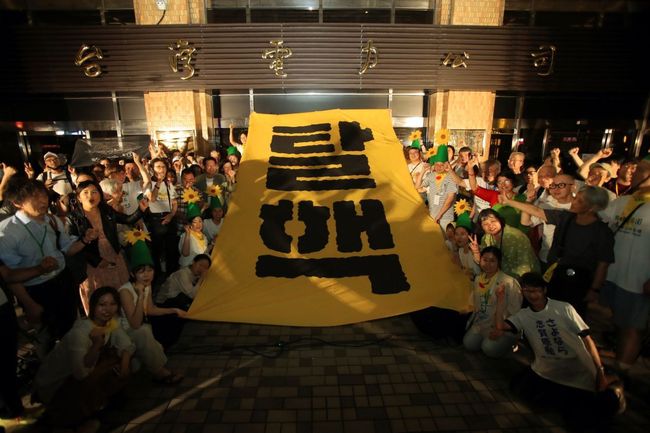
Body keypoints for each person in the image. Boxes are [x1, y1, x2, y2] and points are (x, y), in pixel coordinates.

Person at [495, 272, 625, 428]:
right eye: (527, 291)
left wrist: (600, 371)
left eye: (535, 290)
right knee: (520, 389)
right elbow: (500, 326)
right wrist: (500, 301)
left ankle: (614, 387)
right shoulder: (524, 315)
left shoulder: (564, 308)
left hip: (576, 369)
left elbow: (587, 340)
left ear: (544, 290)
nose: (532, 295)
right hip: (549, 370)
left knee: (582, 418)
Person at [0, 179, 89, 349]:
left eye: (43, 195)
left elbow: (66, 248)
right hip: (36, 291)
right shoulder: (7, 232)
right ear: (18, 203)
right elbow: (10, 276)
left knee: (72, 332)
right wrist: (29, 303)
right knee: (47, 340)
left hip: (63, 281)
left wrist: (85, 240)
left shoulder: (53, 220)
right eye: (34, 197)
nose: (43, 201)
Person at [33, 287, 135, 432]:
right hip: (56, 384)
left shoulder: (109, 323)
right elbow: (80, 373)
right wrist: (97, 345)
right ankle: (70, 417)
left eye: (113, 304)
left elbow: (127, 345)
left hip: (79, 374)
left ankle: (99, 406)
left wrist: (124, 366)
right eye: (102, 304)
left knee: (120, 361)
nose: (108, 309)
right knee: (107, 365)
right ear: (92, 306)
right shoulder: (80, 332)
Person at [501, 185, 613, 315]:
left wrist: (594, 289)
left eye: (580, 201)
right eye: (576, 198)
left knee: (572, 315)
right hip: (556, 273)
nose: (574, 202)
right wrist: (509, 202)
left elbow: (603, 264)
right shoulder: (566, 218)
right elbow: (537, 211)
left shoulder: (602, 231)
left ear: (592, 207)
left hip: (579, 281)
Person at [599, 159, 650, 375]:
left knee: (633, 328)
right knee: (619, 320)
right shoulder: (624, 201)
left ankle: (621, 374)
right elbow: (599, 216)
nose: (633, 172)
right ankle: (619, 355)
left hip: (639, 280)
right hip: (614, 274)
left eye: (641, 170)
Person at [67, 180, 147, 314]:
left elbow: (127, 219)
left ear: (100, 195)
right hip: (91, 264)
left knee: (119, 292)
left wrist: (141, 210)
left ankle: (123, 318)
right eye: (85, 192)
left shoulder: (106, 210)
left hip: (113, 255)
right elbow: (72, 247)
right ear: (79, 197)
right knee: (99, 296)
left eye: (94, 192)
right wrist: (97, 261)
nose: (90, 196)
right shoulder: (73, 218)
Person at [0, 258, 60, 420]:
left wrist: (40, 269)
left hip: (3, 310)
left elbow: (8, 275)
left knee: (7, 362)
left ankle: (13, 409)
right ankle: (9, 411)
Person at [118, 240, 185, 381]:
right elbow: (135, 324)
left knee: (172, 317)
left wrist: (174, 310)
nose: (147, 275)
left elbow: (150, 309)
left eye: (150, 270)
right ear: (132, 274)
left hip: (143, 325)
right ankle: (161, 372)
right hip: (126, 331)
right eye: (141, 271)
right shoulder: (125, 291)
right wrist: (140, 295)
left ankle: (153, 357)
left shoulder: (147, 285)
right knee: (143, 331)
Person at [463, 247, 522, 358]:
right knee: (469, 344)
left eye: (492, 261)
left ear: (499, 262)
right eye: (485, 260)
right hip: (482, 323)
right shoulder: (478, 279)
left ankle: (510, 343)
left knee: (489, 348)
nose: (488, 264)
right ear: (480, 260)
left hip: (501, 326)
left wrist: (503, 328)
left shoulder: (509, 282)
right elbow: (473, 301)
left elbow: (516, 310)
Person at [469, 208, 539, 279]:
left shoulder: (516, 236)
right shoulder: (485, 238)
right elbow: (485, 265)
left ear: (500, 220)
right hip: (499, 279)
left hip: (524, 279)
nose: (490, 226)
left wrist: (516, 283)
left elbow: (525, 266)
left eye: (493, 221)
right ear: (482, 227)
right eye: (485, 224)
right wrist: (476, 252)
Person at [145, 158, 179, 277]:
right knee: (157, 250)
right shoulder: (148, 183)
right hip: (155, 219)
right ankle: (157, 276)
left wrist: (171, 215)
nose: (162, 169)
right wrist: (158, 183)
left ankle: (172, 274)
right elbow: (152, 198)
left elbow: (174, 203)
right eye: (158, 167)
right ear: (152, 169)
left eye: (163, 167)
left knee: (172, 249)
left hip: (169, 217)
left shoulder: (169, 183)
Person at [414, 145, 457, 229]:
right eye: (437, 164)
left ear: (446, 165)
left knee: (446, 237)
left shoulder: (451, 177)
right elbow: (417, 186)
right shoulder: (431, 176)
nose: (439, 167)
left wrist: (439, 215)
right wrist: (423, 171)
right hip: (432, 215)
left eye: (442, 165)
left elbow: (450, 199)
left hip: (445, 217)